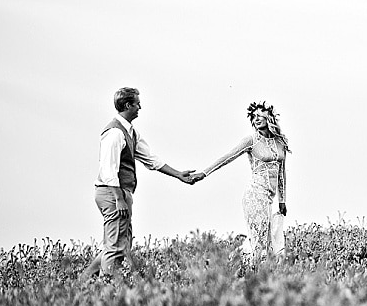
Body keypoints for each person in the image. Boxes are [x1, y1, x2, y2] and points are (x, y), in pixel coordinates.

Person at [82, 87, 198, 282]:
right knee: (115, 247)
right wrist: (119, 199)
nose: (140, 107)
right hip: (113, 193)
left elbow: (150, 159)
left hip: (120, 193)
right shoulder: (114, 133)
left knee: (121, 244)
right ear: (128, 105)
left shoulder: (131, 132)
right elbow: (108, 170)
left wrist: (179, 175)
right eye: (137, 103)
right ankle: (105, 291)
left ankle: (82, 283)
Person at [192, 101, 290, 264]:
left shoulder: (280, 143)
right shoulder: (251, 140)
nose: (257, 118)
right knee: (261, 238)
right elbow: (227, 157)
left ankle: (226, 264)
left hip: (269, 198)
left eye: (260, 115)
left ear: (269, 117)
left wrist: (282, 200)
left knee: (267, 238)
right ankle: (243, 269)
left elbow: (282, 174)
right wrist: (204, 173)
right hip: (255, 195)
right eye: (254, 116)